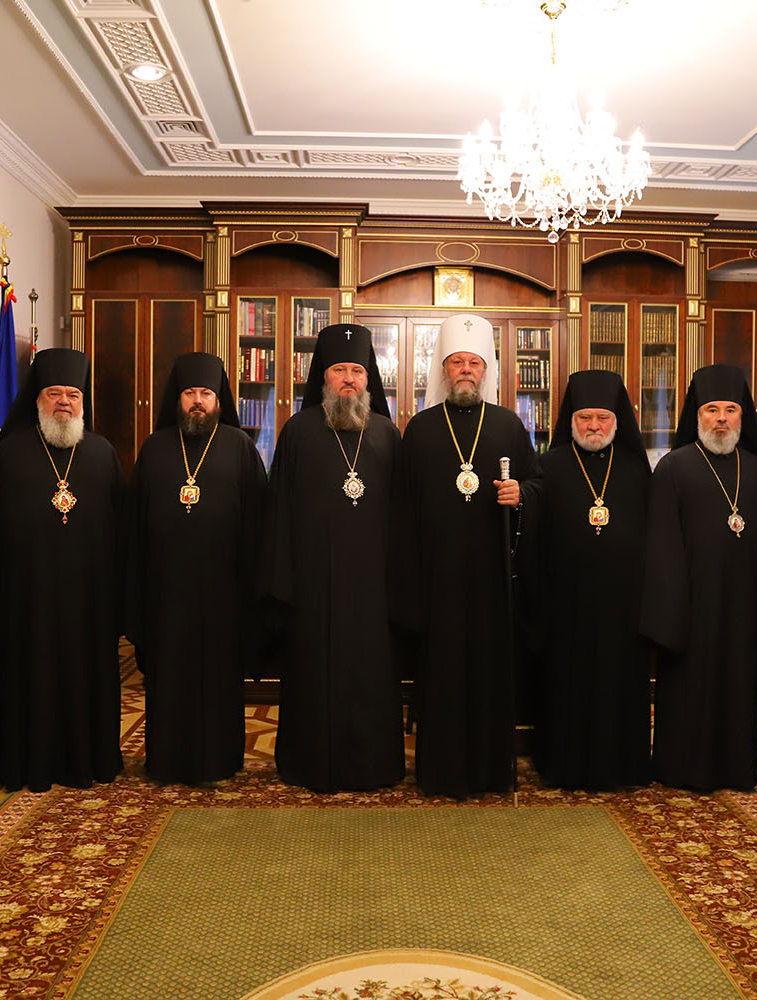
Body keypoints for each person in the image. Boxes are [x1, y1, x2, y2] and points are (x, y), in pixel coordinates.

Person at [392, 313, 539, 798]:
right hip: (437, 581)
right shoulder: (420, 429)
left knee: (489, 675)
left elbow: (538, 485)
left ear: (486, 371)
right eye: (457, 363)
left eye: (474, 363)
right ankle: (441, 772)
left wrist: (521, 494)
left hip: (492, 580)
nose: (465, 372)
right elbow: (403, 510)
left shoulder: (508, 425)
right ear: (443, 370)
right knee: (442, 676)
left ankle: (491, 771)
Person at [261, 324, 404, 791]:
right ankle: (309, 764)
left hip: (373, 589)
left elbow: (404, 517)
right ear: (323, 376)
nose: (348, 379)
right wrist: (283, 586)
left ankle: (372, 765)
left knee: (370, 677)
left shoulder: (387, 435)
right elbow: (279, 512)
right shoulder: (298, 432)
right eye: (339, 370)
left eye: (356, 371)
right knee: (312, 676)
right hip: (312, 588)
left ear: (369, 379)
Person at [0, 348, 126, 792]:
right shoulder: (9, 456)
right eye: (54, 393)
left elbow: (123, 532)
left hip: (91, 603)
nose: (64, 401)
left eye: (73, 394)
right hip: (27, 602)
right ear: (37, 400)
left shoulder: (102, 454)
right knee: (32, 680)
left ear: (83, 403)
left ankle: (92, 759)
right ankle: (29, 764)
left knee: (89, 680)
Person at [125, 352, 266, 785]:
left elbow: (259, 526)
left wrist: (252, 594)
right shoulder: (154, 449)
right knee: (168, 679)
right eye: (190, 393)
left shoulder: (240, 447)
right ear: (178, 399)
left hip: (224, 594)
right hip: (166, 593)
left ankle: (221, 759)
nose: (198, 401)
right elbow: (134, 528)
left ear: (219, 400)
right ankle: (166, 760)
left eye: (206, 393)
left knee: (219, 680)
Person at [641, 364, 757, 793]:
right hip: (690, 608)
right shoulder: (673, 467)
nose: (721, 419)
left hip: (741, 606)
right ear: (697, 415)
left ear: (743, 417)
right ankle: (681, 768)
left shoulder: (755, 469)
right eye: (712, 410)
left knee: (738, 689)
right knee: (689, 690)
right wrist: (672, 612)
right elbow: (661, 546)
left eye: (730, 410)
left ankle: (735, 770)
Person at [518, 369, 653, 790]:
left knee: (619, 684)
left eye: (602, 417)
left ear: (617, 420)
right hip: (566, 603)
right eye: (584, 418)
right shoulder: (550, 464)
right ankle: (563, 765)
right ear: (571, 420)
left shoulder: (636, 469)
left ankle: (622, 767)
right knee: (567, 685)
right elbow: (531, 531)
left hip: (623, 605)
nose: (594, 426)